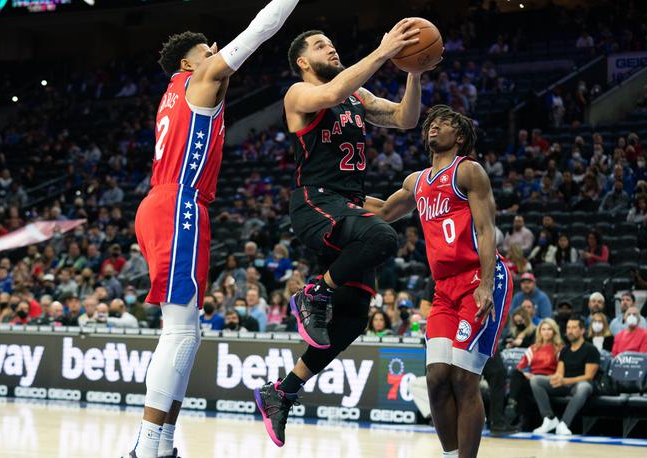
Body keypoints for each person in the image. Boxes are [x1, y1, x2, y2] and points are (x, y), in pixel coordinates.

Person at [129, 2, 300, 456]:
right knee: (180, 331)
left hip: (168, 202)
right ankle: (146, 448)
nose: (219, 55)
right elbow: (262, 29)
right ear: (190, 61)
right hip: (178, 201)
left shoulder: (177, 90)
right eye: (210, 51)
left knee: (189, 332)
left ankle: (162, 444)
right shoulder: (199, 78)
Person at [253, 21, 429, 448]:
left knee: (351, 318)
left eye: (332, 44)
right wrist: (385, 50)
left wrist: (415, 69)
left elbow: (406, 119)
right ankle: (313, 293)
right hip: (315, 202)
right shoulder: (299, 93)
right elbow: (329, 95)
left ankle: (283, 391)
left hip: (347, 206)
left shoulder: (357, 96)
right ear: (302, 60)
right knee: (386, 237)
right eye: (320, 46)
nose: (331, 49)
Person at [363, 104, 512, 457]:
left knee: (463, 377)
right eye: (431, 123)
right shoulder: (417, 182)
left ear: (458, 137)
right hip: (444, 288)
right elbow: (384, 211)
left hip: (478, 279)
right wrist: (336, 197)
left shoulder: (469, 172)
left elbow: (485, 229)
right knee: (435, 378)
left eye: (443, 124)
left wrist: (487, 283)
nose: (434, 127)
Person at [531, 316, 599, 435]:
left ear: (582, 330)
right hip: (565, 385)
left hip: (579, 385)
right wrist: (554, 378)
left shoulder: (591, 349)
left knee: (584, 387)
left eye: (574, 328)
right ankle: (549, 419)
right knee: (536, 380)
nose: (570, 331)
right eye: (568, 328)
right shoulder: (565, 350)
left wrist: (564, 381)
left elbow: (588, 376)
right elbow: (559, 373)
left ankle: (564, 424)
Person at [506, 318, 563, 430]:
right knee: (517, 375)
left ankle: (518, 417)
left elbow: (560, 372)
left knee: (523, 387)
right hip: (532, 379)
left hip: (549, 381)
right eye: (543, 329)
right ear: (539, 332)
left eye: (549, 329)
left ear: (554, 331)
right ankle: (512, 405)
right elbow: (520, 368)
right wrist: (526, 374)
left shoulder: (559, 349)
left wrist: (538, 378)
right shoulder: (533, 348)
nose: (546, 332)